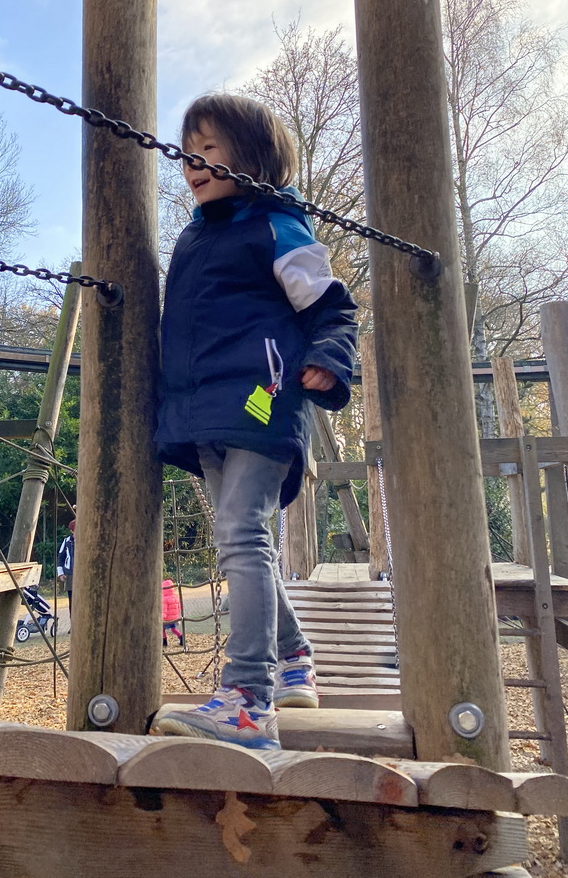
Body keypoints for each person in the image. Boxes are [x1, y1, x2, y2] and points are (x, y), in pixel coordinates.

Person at [153, 93, 357, 751]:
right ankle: (293, 656)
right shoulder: (195, 234)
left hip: (262, 397)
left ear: (253, 156)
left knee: (243, 532)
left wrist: (329, 356)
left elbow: (330, 305)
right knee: (240, 534)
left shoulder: (274, 225)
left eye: (211, 149)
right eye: (189, 151)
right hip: (204, 404)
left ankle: (248, 700)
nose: (194, 162)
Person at [57, 517, 76, 615]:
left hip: (83, 575)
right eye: (74, 530)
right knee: (72, 601)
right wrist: (61, 573)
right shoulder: (66, 541)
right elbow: (60, 558)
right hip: (70, 574)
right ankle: (72, 625)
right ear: (71, 530)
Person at [162, 578, 184, 647]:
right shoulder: (175, 597)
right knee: (174, 629)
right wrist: (177, 614)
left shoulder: (164, 599)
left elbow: (164, 609)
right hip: (174, 618)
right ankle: (181, 638)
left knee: (162, 630)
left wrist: (163, 617)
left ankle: (164, 642)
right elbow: (179, 607)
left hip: (167, 618)